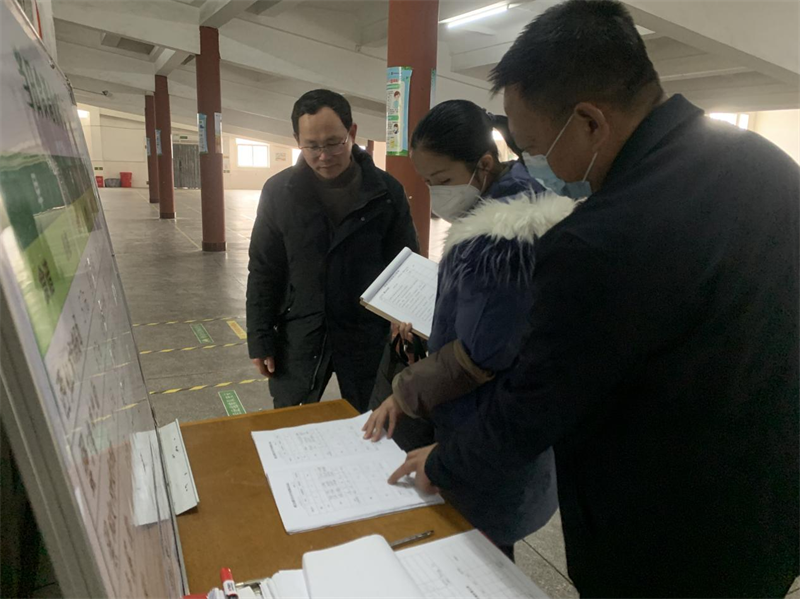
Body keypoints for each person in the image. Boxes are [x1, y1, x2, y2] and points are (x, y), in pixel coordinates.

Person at [389, 1, 800, 598]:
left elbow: (536, 402)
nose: (535, 164)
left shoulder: (599, 238)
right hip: (768, 516)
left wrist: (442, 462)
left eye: (534, 146)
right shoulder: (770, 167)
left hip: (659, 541)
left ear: (589, 122)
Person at [363, 100, 574, 558]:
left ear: (483, 165)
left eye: (441, 181)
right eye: (427, 182)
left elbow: (477, 355)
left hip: (488, 435)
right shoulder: (514, 202)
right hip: (501, 431)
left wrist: (403, 392)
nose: (435, 194)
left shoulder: (501, 240)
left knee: (480, 557)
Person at [246, 90, 418, 412]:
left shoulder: (386, 192)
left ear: (352, 133)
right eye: (312, 146)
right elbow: (264, 269)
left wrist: (408, 329)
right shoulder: (279, 192)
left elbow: (406, 267)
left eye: (333, 143)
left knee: (371, 421)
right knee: (290, 422)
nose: (323, 156)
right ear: (297, 140)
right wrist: (259, 337)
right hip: (300, 331)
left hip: (366, 334)